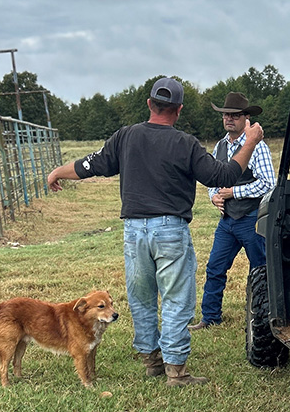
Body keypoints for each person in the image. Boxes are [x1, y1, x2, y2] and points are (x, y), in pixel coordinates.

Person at [46, 78, 264, 387]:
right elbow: (224, 174)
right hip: (170, 231)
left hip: (133, 231)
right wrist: (251, 141)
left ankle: (152, 361)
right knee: (176, 299)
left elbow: (89, 165)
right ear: (179, 110)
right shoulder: (185, 143)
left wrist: (57, 172)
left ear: (149, 104)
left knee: (141, 298)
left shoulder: (125, 137)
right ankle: (176, 371)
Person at [189, 92, 275, 331]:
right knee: (215, 268)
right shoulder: (220, 146)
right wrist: (214, 196)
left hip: (251, 219)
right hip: (227, 221)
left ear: (246, 118)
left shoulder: (258, 148)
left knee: (261, 271)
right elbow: (213, 180)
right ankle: (210, 317)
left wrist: (233, 193)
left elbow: (269, 183)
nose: (229, 119)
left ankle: (264, 319)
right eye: (226, 114)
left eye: (235, 115)